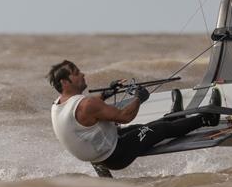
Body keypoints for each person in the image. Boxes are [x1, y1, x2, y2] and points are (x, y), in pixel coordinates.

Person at [47, 60, 219, 171]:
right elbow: (125, 116)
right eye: (77, 73)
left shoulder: (59, 104)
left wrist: (106, 94)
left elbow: (86, 115)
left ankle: (175, 119)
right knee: (161, 129)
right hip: (117, 155)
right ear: (65, 82)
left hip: (101, 158)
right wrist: (139, 98)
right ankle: (208, 119)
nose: (82, 74)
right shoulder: (87, 104)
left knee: (147, 128)